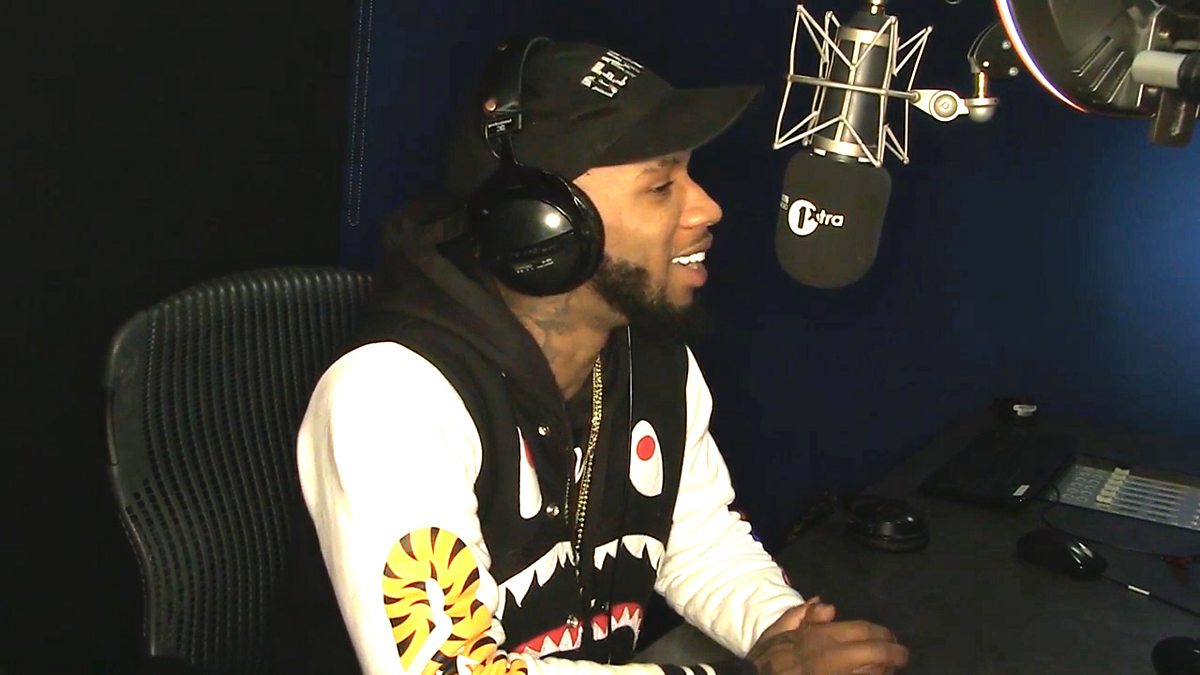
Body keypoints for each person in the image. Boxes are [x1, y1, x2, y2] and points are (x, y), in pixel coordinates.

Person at [282, 37, 910, 675]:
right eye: (661, 185)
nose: (707, 208)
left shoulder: (653, 357)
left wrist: (786, 633)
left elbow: (698, 540)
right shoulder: (392, 398)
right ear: (542, 225)